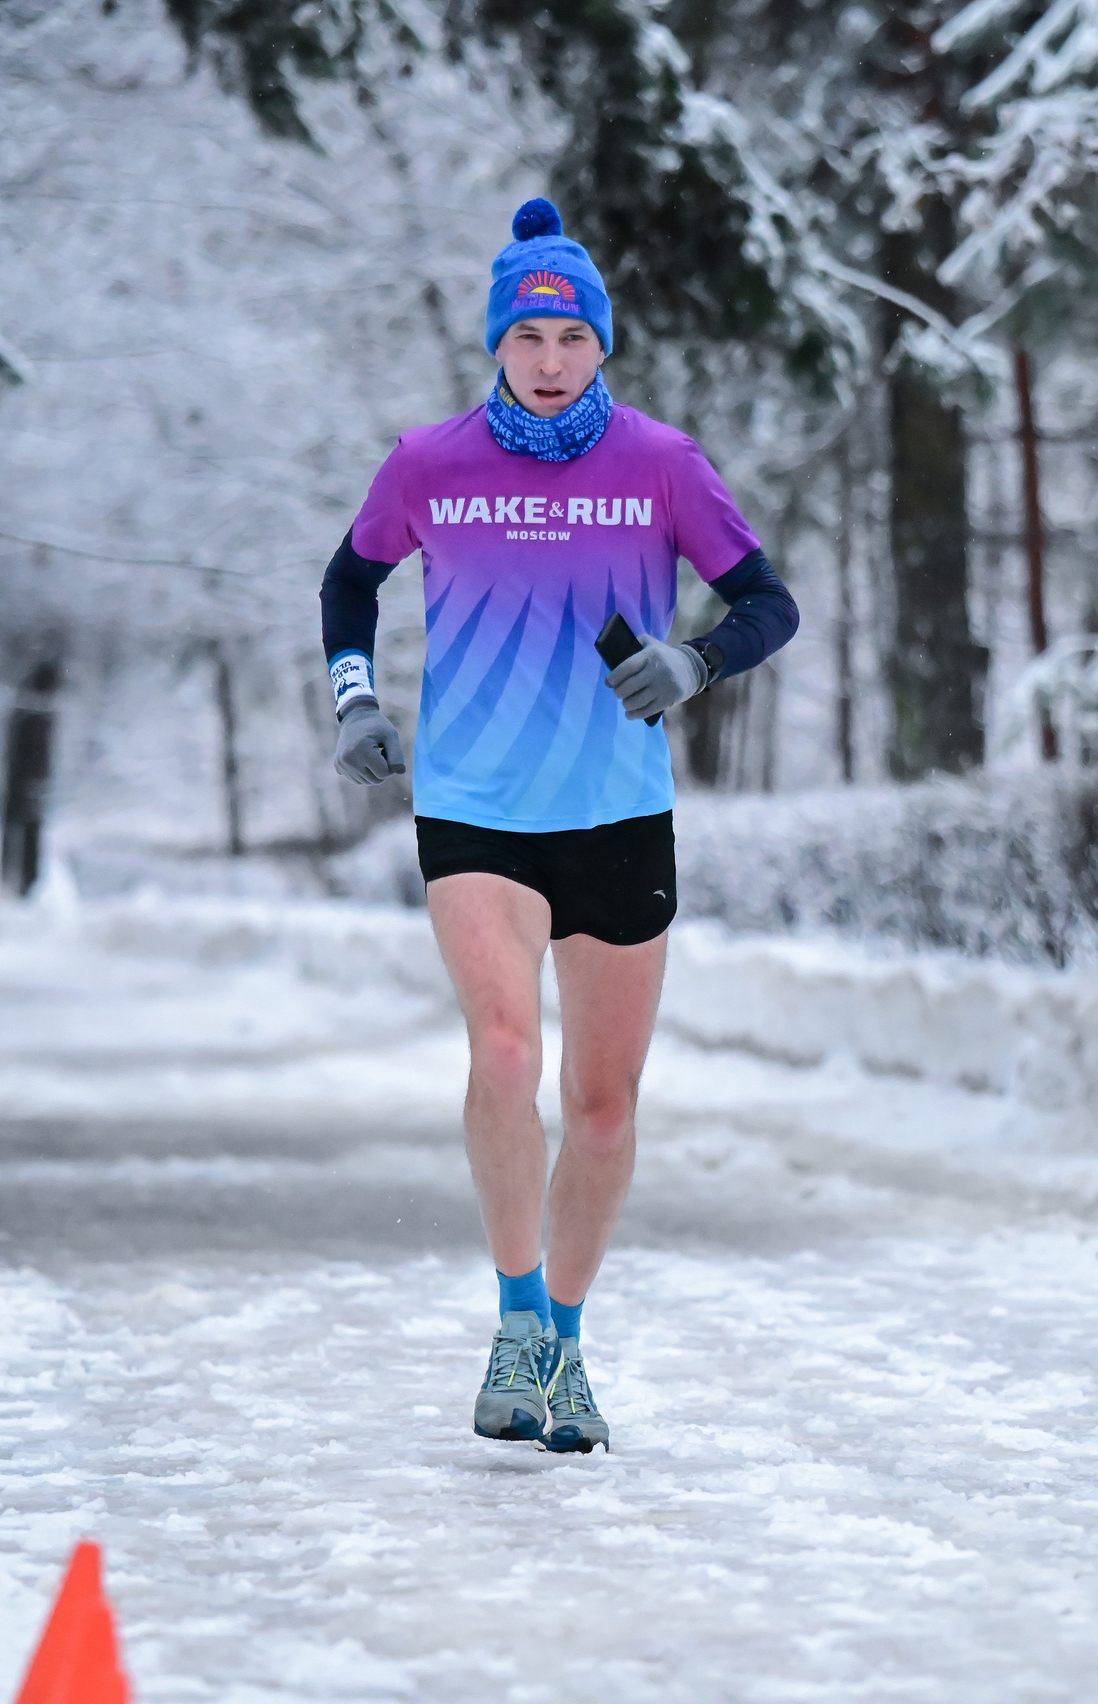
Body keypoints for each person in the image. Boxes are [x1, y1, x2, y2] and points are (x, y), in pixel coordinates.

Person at [320, 198, 799, 1453]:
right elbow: (351, 579)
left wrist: (696, 662)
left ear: (601, 344)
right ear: (497, 342)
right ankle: (517, 1317)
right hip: (473, 806)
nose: (548, 359)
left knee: (600, 1108)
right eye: (527, 335)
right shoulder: (430, 464)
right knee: (502, 1052)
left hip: (616, 813)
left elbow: (766, 601)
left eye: (571, 336)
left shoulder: (659, 463)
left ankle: (569, 1349)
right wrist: (356, 699)